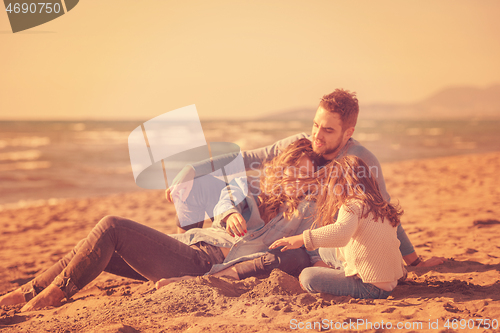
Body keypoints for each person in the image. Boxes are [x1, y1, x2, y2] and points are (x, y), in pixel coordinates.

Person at [0, 139, 319, 311]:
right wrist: (227, 214)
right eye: (292, 172)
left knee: (112, 226)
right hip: (191, 244)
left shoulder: (307, 211)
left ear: (315, 176)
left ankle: (58, 292)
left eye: (305, 173)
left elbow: (312, 244)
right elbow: (226, 195)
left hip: (203, 262)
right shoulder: (258, 188)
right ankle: (30, 291)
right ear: (282, 171)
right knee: (92, 247)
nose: (296, 179)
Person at [166, 89, 445, 268]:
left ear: (347, 133)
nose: (316, 136)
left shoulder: (359, 160)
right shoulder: (298, 144)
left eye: (327, 130)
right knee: (194, 185)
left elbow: (384, 210)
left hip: (308, 239)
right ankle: (181, 253)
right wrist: (189, 170)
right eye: (315, 125)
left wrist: (414, 261)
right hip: (270, 217)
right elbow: (244, 158)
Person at [270, 155, 405, 299]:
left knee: (307, 276)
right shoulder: (381, 206)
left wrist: (302, 238)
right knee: (325, 251)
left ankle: (349, 276)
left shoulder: (352, 205)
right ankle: (350, 272)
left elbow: (341, 233)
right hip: (390, 279)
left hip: (370, 287)